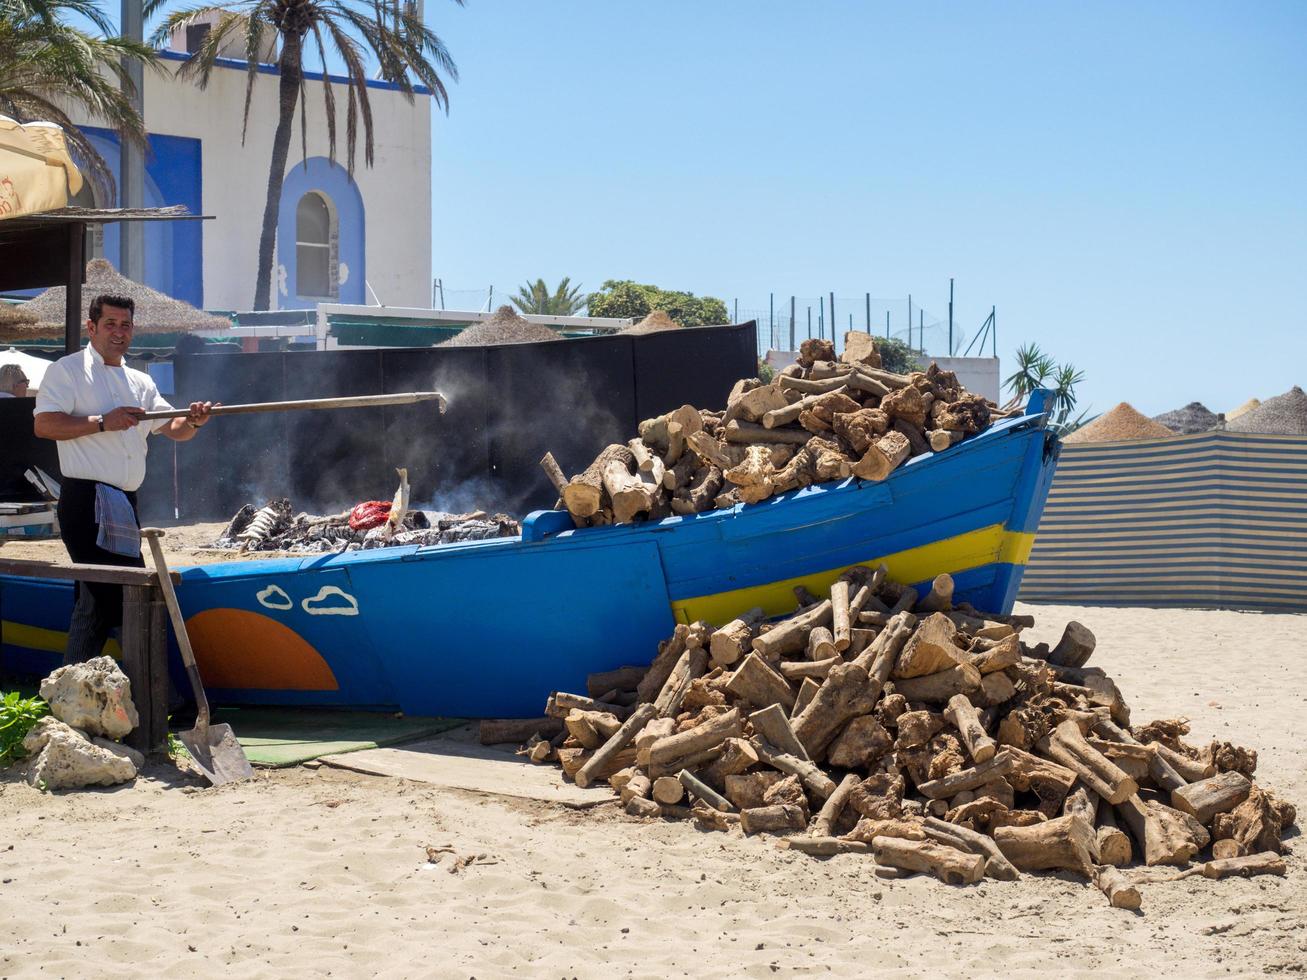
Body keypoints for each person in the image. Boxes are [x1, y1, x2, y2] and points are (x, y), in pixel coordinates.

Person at [34, 294, 215, 664]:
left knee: (96, 600)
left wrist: (194, 419)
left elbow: (175, 428)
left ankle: (68, 688)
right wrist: (102, 422)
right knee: (125, 597)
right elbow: (44, 424)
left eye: (126, 325)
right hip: (87, 499)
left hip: (125, 502)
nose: (119, 332)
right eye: (111, 324)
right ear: (92, 327)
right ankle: (162, 696)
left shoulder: (140, 381)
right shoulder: (66, 370)